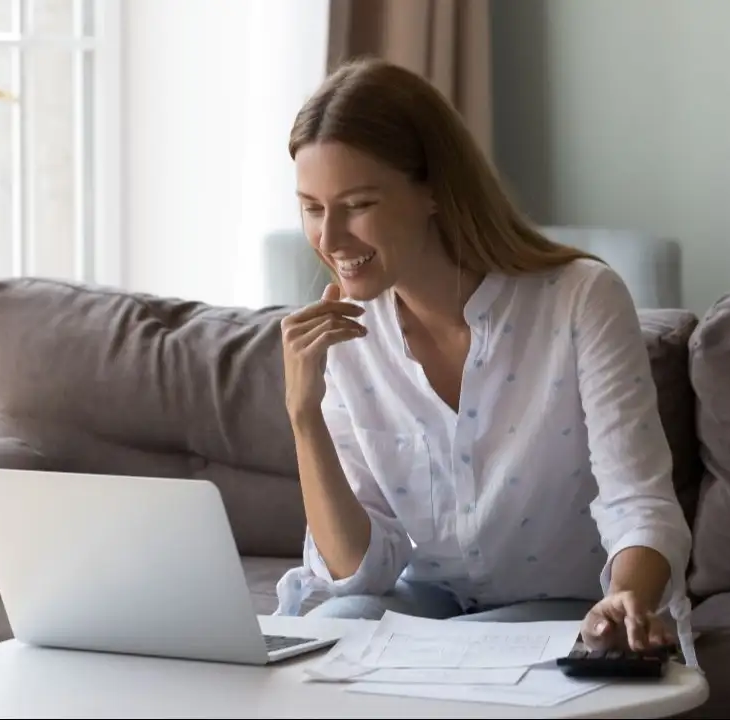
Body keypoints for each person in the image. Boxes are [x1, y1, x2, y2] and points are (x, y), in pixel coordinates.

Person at [273, 57, 696, 665]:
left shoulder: (581, 298)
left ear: (434, 192)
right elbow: (358, 573)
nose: (330, 239)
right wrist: (303, 414)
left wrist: (626, 595)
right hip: (425, 603)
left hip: (558, 606)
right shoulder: (343, 334)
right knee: (332, 633)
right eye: (312, 208)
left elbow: (638, 501)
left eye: (357, 204)